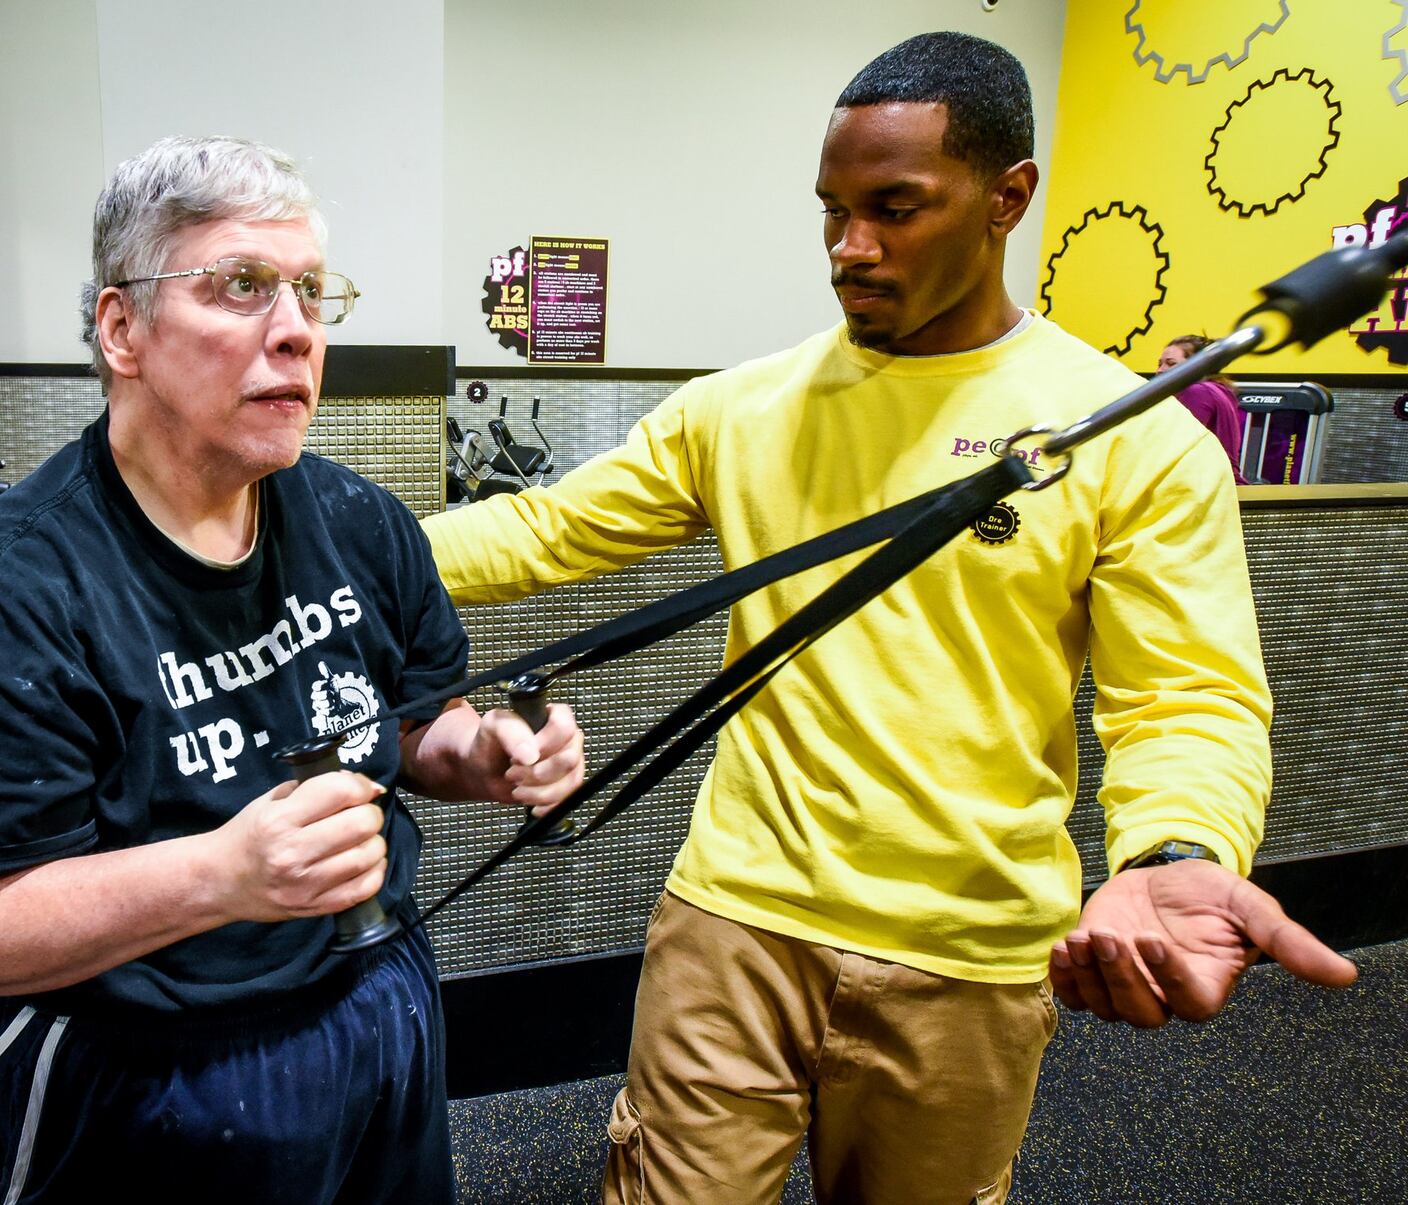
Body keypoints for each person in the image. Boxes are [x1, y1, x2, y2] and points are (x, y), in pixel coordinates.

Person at [422, 32, 1356, 1205]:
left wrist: (1173, 851)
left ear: (1006, 197)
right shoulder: (745, 407)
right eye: (833, 211)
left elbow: (1186, 698)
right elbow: (542, 532)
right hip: (733, 919)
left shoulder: (1129, 437)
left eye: (895, 209)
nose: (849, 249)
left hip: (963, 953)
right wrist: (320, 548)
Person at [0, 136, 584, 1204]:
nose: (294, 331)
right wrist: (217, 876)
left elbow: (419, 719)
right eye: (240, 287)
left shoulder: (358, 519)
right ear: (123, 329)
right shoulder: (16, 592)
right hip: (138, 1063)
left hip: (370, 1003)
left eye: (308, 292)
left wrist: (480, 753)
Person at [1159, 333, 1249, 482]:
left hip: (1208, 489)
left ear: (1197, 366)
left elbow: (1176, 449)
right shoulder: (1219, 390)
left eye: (1171, 363)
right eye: (1160, 363)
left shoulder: (1197, 392)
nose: (1160, 370)